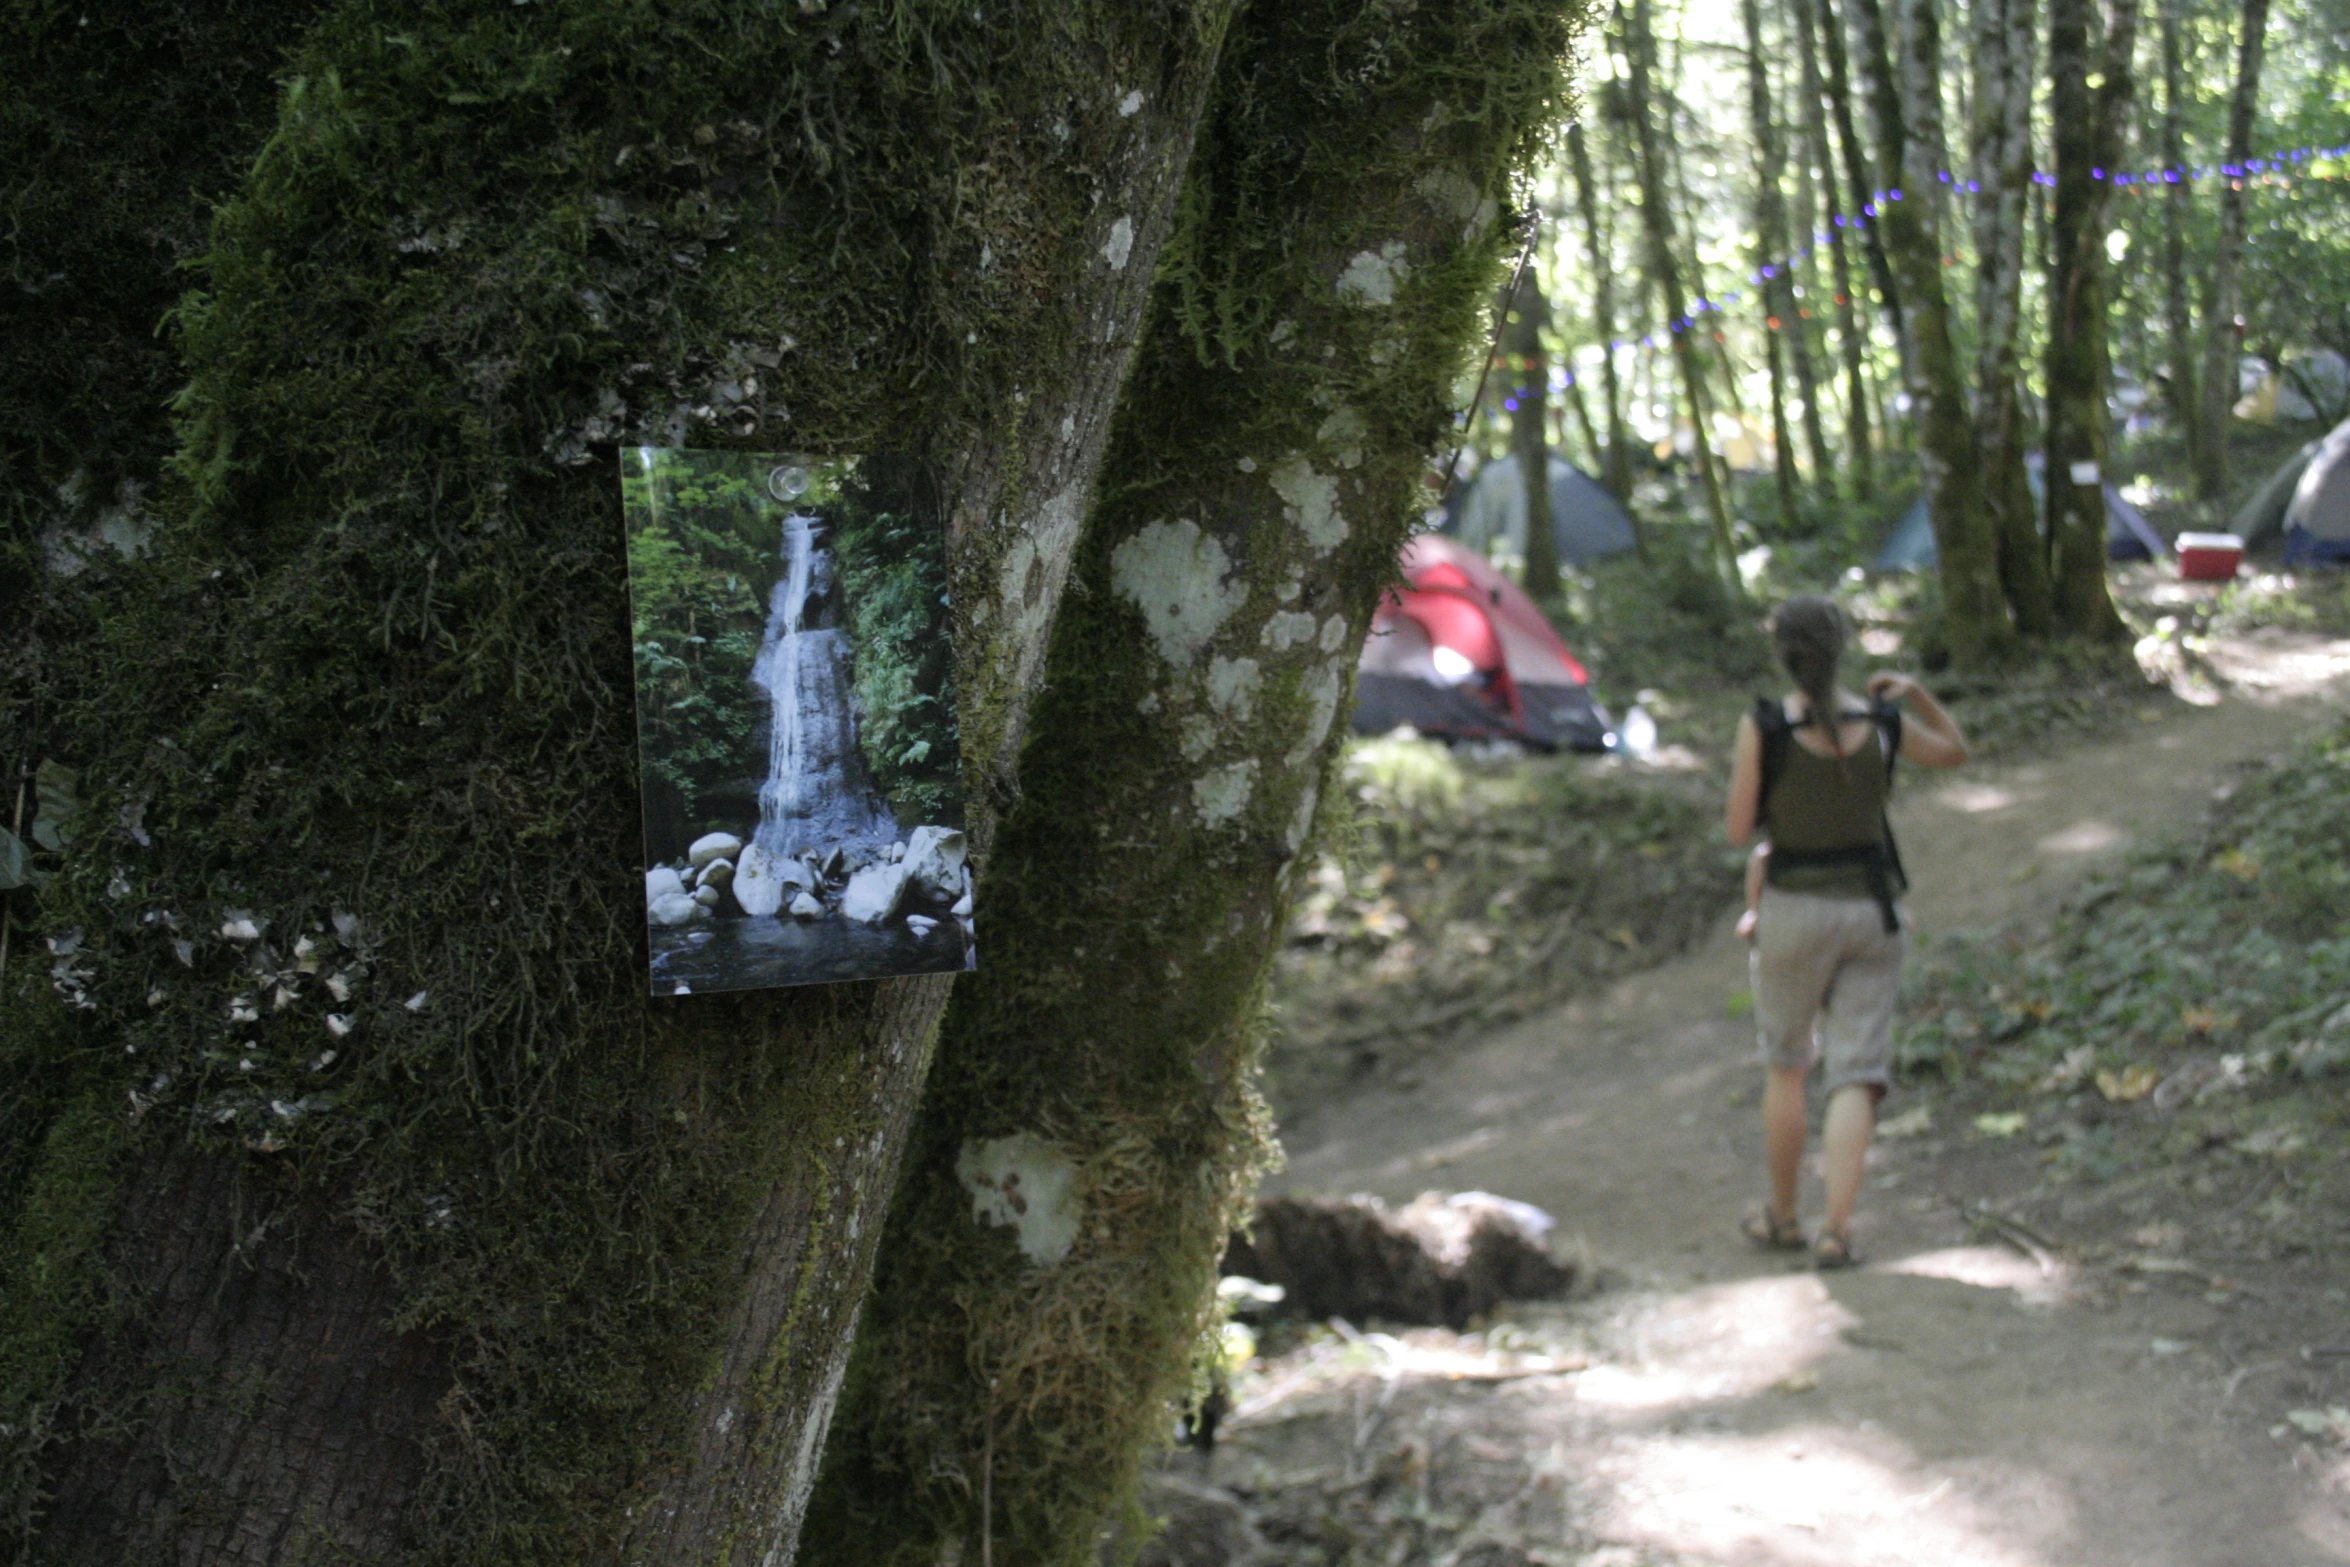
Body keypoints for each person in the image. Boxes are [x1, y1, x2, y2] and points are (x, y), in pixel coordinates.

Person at [1724, 595, 1969, 1268]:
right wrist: (1918, 693)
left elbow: (1740, 830)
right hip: (1872, 911)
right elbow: (1954, 751)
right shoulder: (1884, 721)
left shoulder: (1766, 727)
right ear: (1842, 649)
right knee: (1856, 1074)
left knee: (1787, 1064)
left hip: (1792, 911)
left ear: (1783, 652)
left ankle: (1783, 1216)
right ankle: (1837, 1227)